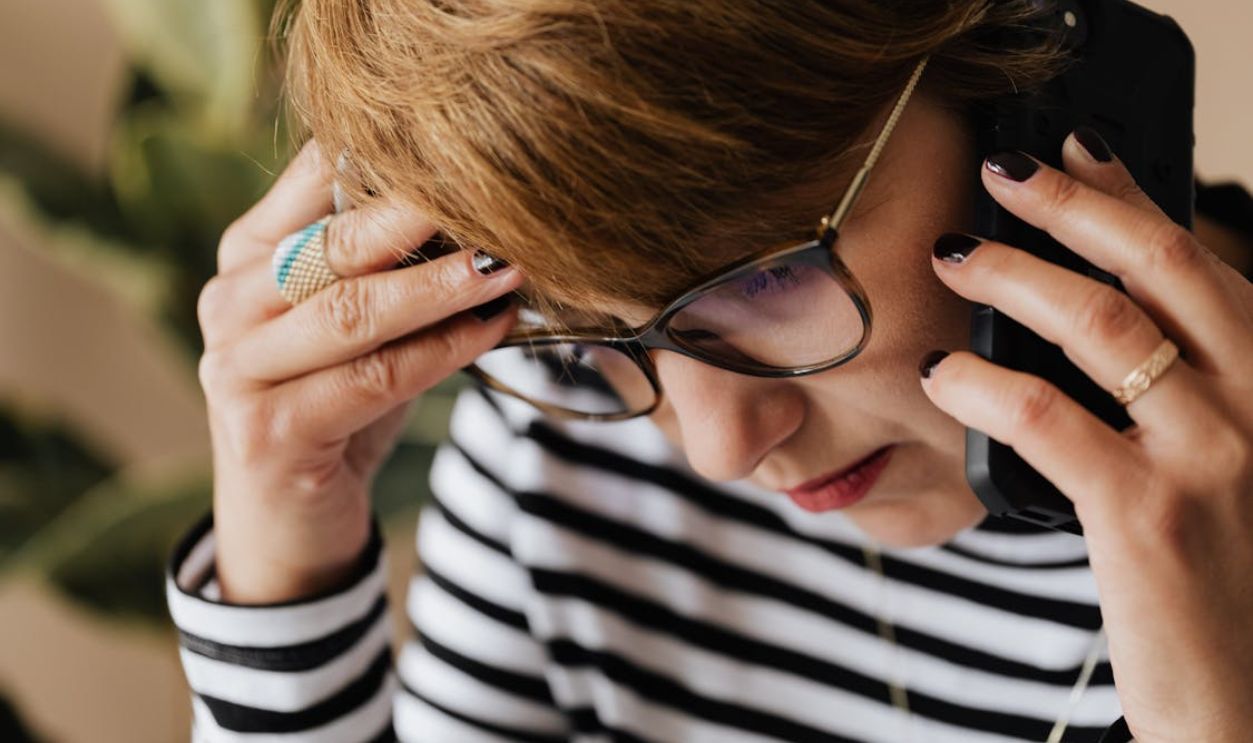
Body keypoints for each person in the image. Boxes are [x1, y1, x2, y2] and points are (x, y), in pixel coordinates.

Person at [165, 0, 1253, 740]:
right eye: (588, 327)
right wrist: (283, 573)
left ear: (1043, 90)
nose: (721, 449)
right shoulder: (560, 448)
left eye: (769, 277)